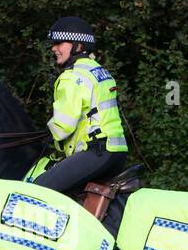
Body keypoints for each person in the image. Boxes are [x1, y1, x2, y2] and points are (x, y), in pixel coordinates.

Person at [29, 16, 128, 192]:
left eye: (59, 43)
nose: (54, 48)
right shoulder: (99, 70)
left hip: (95, 153)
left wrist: (46, 134)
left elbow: (63, 127)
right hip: (117, 152)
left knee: (38, 191)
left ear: (78, 46)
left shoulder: (72, 76)